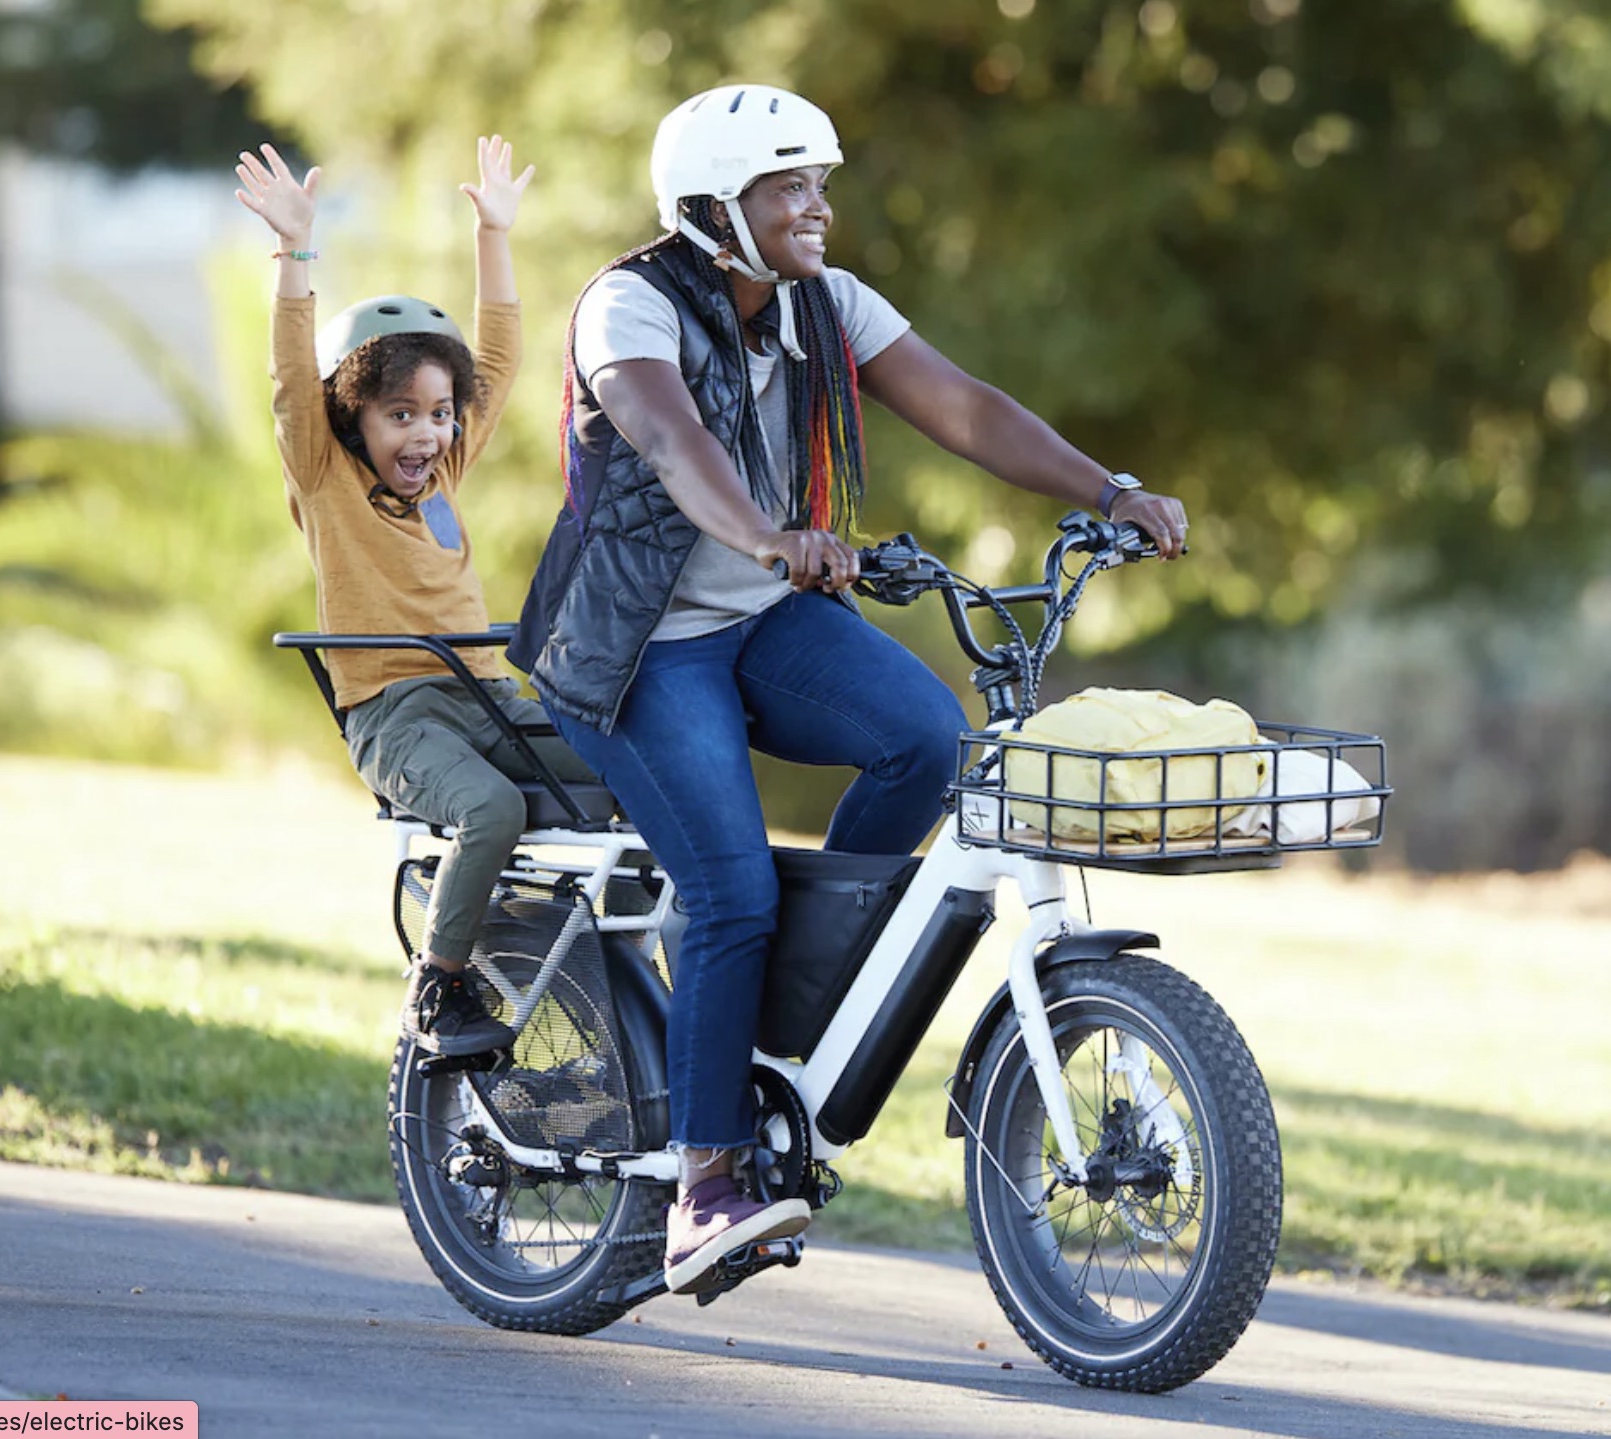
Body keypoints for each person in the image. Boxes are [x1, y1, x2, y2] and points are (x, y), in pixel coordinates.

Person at [507, 84, 1191, 1295]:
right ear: (717, 206)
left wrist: (1107, 488)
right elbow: (671, 443)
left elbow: (962, 403)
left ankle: (799, 990)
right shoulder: (628, 303)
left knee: (923, 735)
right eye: (791, 188)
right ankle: (704, 1179)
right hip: (634, 647)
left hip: (761, 620)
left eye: (820, 183)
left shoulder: (825, 305)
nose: (819, 208)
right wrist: (771, 535)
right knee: (728, 888)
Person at [236, 137, 598, 1059]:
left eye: (440, 414)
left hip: (485, 694)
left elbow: (503, 358)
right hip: (397, 713)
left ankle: (607, 969)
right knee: (493, 810)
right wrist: (294, 253)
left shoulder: (443, 474)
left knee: (631, 766)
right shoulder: (324, 479)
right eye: (402, 414)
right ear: (351, 415)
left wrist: (494, 234)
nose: (429, 432)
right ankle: (437, 986)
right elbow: (288, 380)